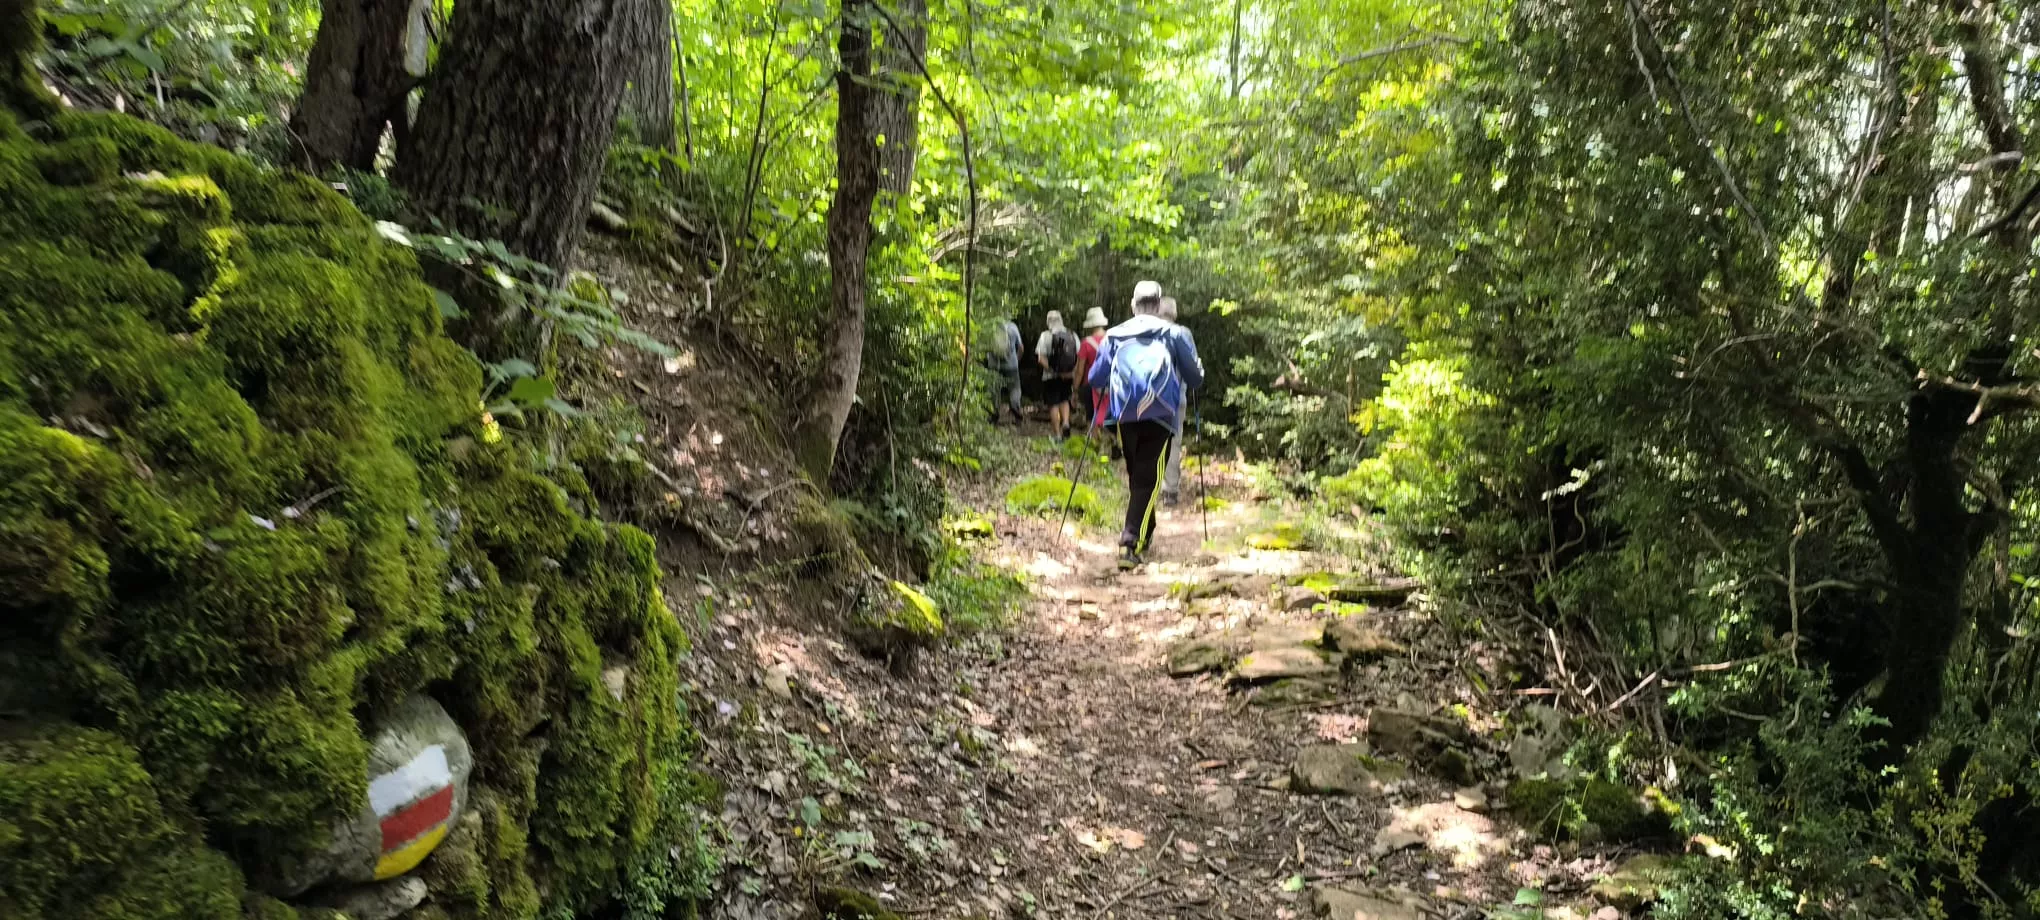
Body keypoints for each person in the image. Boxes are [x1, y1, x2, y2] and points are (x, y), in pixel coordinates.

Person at [1086, 281, 1204, 570]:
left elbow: (1095, 379)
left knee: (1139, 475)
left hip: (1125, 412)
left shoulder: (1114, 335)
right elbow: (1195, 378)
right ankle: (1129, 543)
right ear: (1159, 303)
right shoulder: (1173, 334)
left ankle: (1142, 531)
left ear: (1132, 304)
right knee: (1147, 477)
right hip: (1162, 413)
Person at [1156, 297, 1202, 506]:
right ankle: (1170, 491)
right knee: (1174, 441)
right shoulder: (1184, 334)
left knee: (1153, 441)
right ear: (1174, 313)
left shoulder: (1151, 331)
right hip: (1177, 397)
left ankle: (1150, 486)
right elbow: (1193, 366)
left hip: (1151, 397)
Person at [1035, 310, 1080, 438]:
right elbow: (1079, 356)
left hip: (1051, 377)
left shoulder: (1045, 336)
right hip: (1068, 375)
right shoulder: (1072, 334)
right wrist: (1071, 372)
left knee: (1053, 403)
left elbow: (1040, 358)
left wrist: (1054, 371)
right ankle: (1065, 422)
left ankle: (1057, 435)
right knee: (1065, 399)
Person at [1074, 307, 1110, 436]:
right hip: (1110, 384)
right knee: (1109, 415)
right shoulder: (1113, 339)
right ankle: (1112, 444)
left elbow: (1080, 370)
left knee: (1092, 415)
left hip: (1090, 386)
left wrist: (1075, 388)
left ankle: (1095, 444)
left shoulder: (1086, 343)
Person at [986, 315, 1023, 425]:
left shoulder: (990, 328)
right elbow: (1021, 347)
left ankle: (994, 414)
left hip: (994, 365)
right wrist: (1017, 360)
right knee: (1014, 388)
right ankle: (1015, 406)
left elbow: (985, 347)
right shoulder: (1013, 327)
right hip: (1011, 365)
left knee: (994, 390)